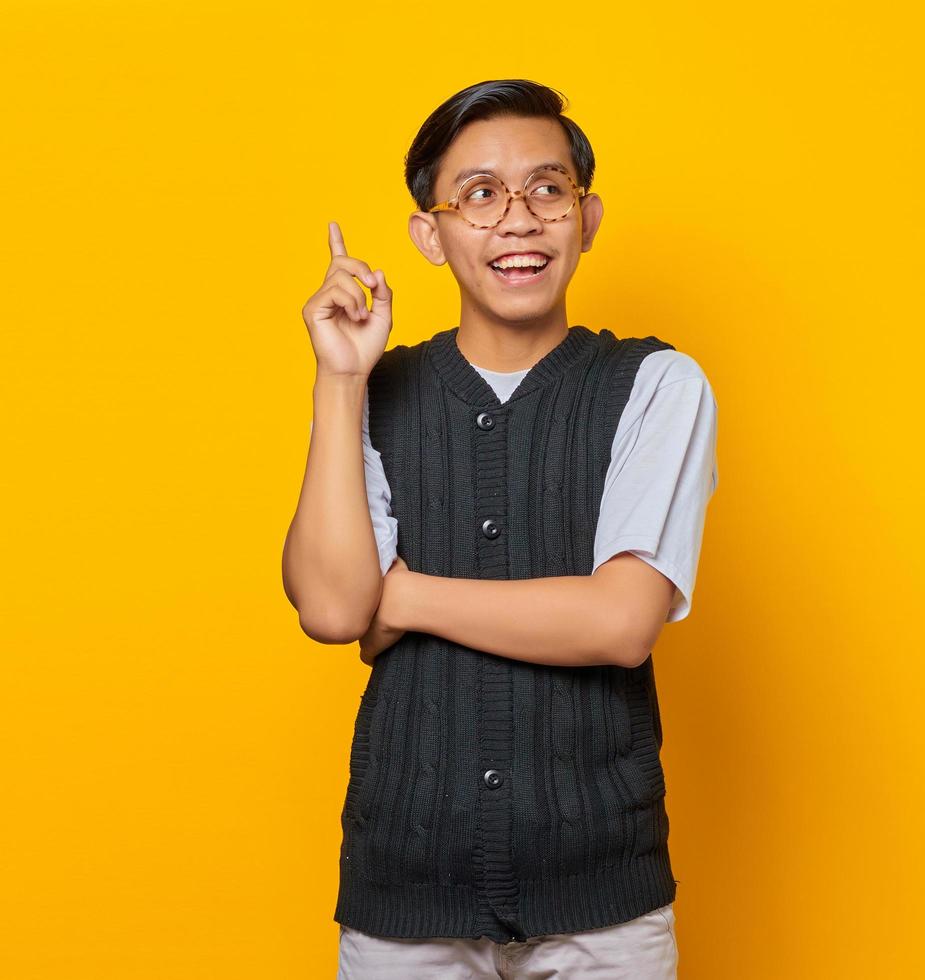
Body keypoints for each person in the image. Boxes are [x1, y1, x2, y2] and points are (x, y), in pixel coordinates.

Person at [281, 78, 717, 979]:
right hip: (405, 894)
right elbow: (330, 608)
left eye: (546, 190)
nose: (517, 219)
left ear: (586, 217)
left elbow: (620, 622)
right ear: (429, 235)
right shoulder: (377, 391)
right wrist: (338, 380)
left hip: (603, 902)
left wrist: (398, 594)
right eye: (478, 195)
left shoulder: (657, 386)